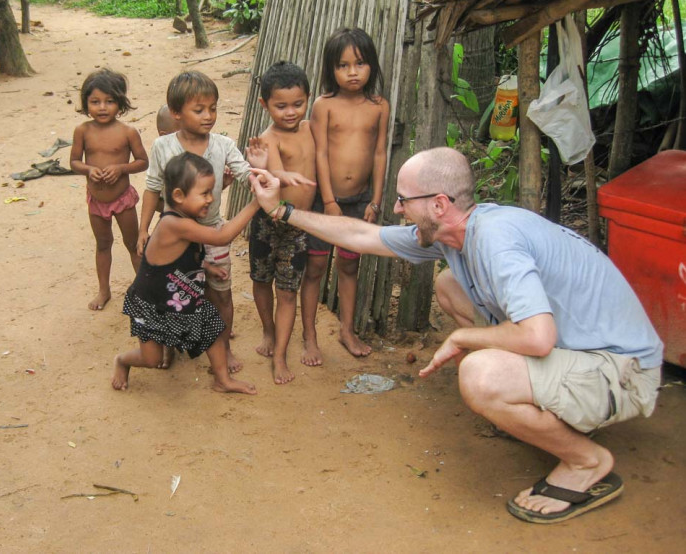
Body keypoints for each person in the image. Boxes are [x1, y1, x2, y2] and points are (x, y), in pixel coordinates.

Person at [249, 146, 663, 524]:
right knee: (449, 285)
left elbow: (538, 337)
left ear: (439, 204)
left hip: (623, 371)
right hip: (584, 350)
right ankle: (548, 402)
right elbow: (363, 236)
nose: (396, 208)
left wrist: (464, 340)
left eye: (404, 199)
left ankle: (586, 461)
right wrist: (282, 212)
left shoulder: (497, 242)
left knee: (480, 375)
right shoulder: (457, 235)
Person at [113, 152, 259, 395]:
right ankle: (122, 361)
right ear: (179, 196)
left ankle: (222, 380)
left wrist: (206, 267)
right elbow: (222, 236)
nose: (211, 200)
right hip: (151, 303)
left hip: (179, 297)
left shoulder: (187, 216)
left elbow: (176, 259)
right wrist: (257, 202)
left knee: (211, 328)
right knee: (151, 358)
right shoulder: (174, 224)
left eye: (211, 192)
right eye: (205, 194)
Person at [305, 27, 389, 358]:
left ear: (371, 65)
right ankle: (309, 335)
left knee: (350, 266)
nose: (352, 72)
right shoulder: (324, 106)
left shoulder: (379, 106)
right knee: (314, 267)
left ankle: (347, 330)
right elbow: (320, 154)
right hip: (324, 201)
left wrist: (375, 201)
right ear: (331, 69)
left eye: (359, 63)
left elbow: (380, 153)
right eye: (343, 65)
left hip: (359, 202)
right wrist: (327, 201)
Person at [249, 62, 318, 383]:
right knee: (262, 281)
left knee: (288, 291)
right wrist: (282, 174)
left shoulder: (310, 129)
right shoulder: (267, 138)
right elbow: (272, 170)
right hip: (268, 223)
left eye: (298, 104)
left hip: (298, 226)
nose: (291, 112)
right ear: (264, 105)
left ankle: (280, 355)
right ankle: (267, 330)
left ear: (308, 99)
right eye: (281, 106)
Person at [70, 68, 148, 311]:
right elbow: (74, 162)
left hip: (122, 199)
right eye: (95, 102)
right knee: (103, 244)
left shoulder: (127, 132)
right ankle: (104, 290)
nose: (102, 107)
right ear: (86, 103)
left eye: (109, 101)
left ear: (121, 103)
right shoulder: (83, 131)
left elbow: (142, 161)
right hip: (96, 200)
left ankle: (144, 289)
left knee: (133, 243)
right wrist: (88, 170)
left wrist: (121, 168)